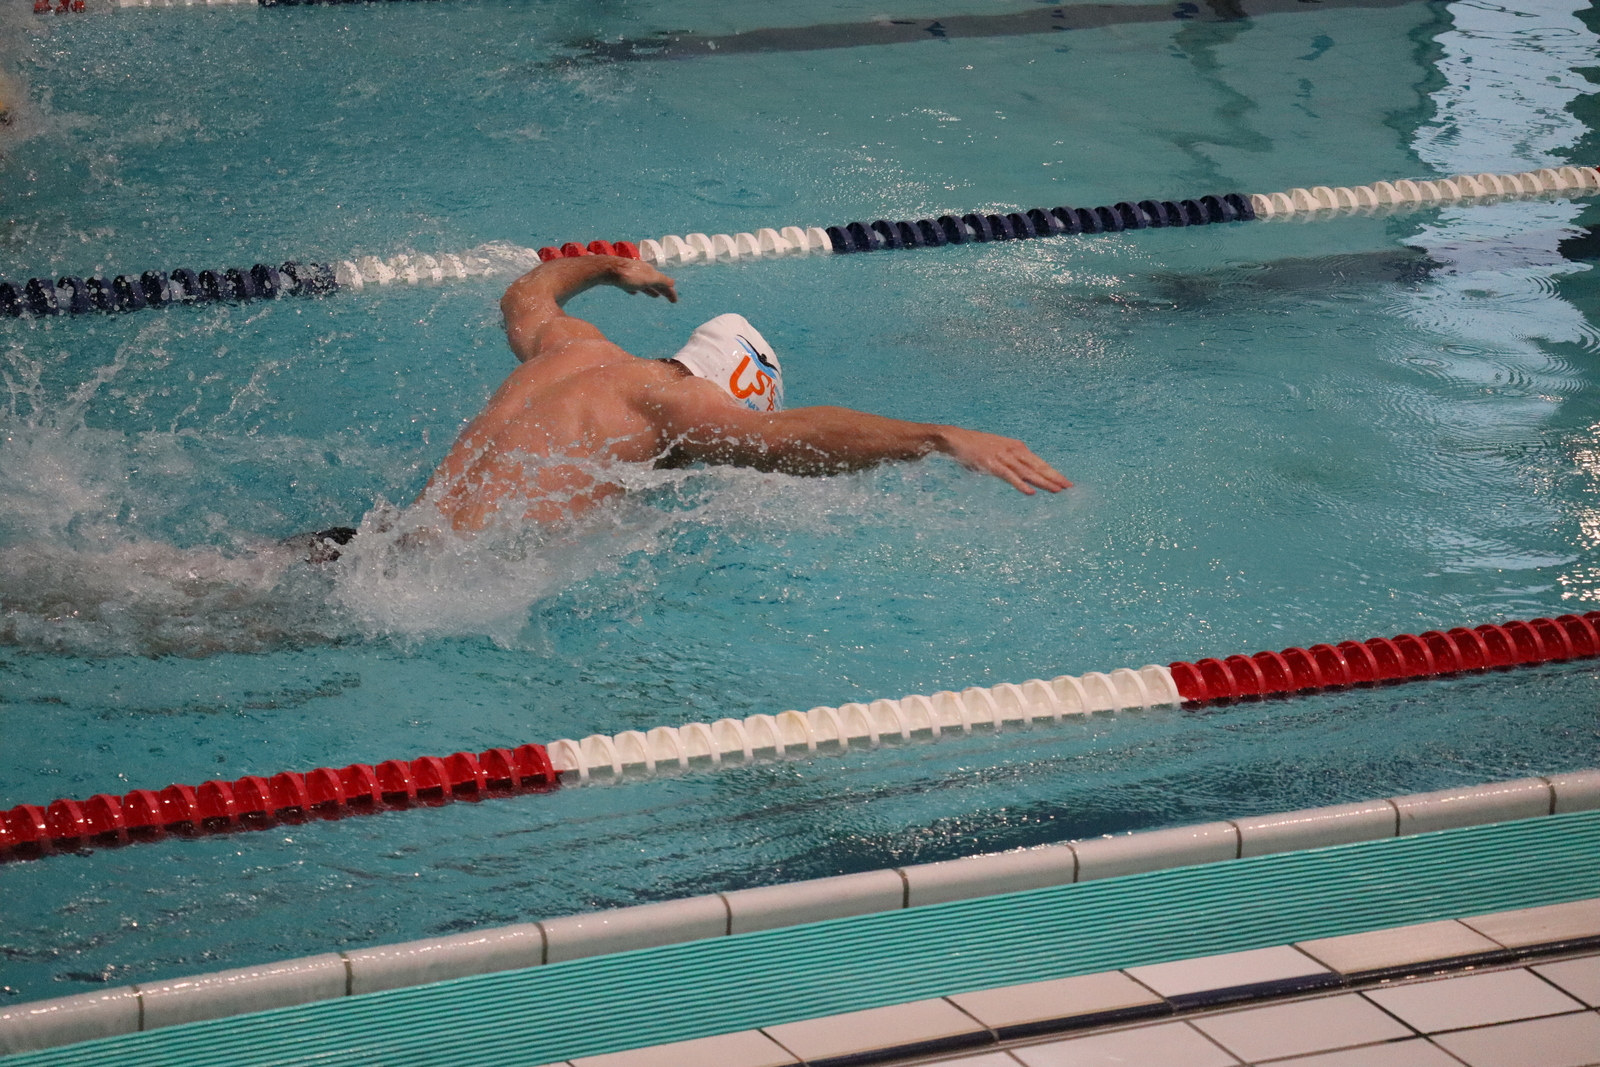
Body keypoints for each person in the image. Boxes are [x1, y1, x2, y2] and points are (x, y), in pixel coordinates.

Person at [293, 254, 1070, 558]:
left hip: (370, 544)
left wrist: (607, 268)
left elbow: (523, 296)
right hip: (431, 584)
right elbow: (790, 441)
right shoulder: (676, 401)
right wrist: (937, 436)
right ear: (725, 393)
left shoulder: (577, 349)